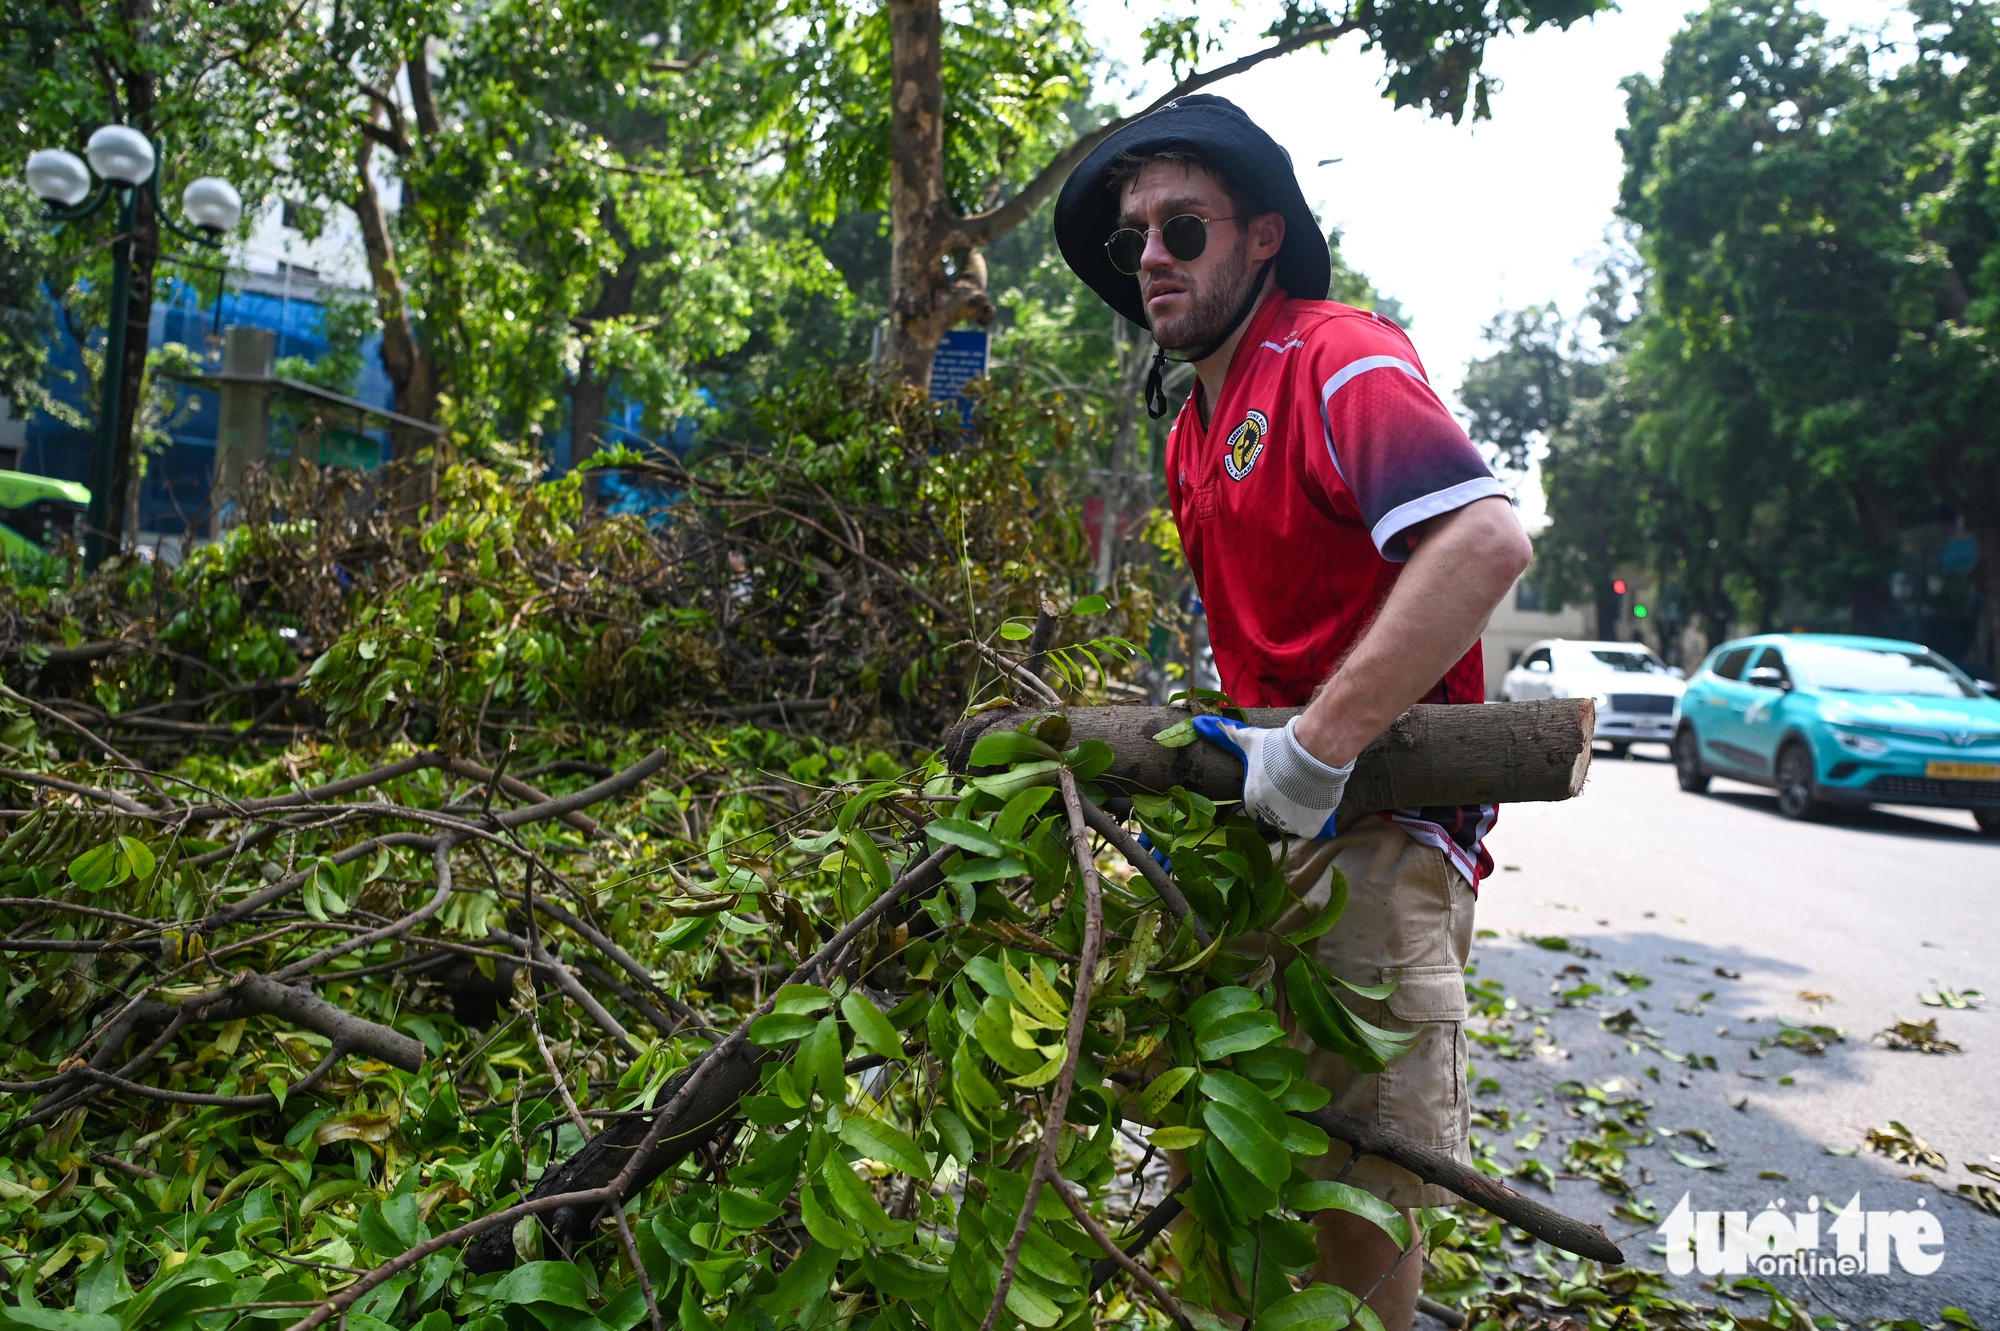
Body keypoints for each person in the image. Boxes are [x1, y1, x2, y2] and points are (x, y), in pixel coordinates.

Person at [1054, 95, 1532, 1330]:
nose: (1152, 255)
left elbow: (1482, 542)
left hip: (1376, 844)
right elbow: (1264, 645)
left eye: (1182, 228)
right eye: (1133, 241)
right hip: (1261, 850)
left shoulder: (1336, 356)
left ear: (1261, 236)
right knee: (1220, 1165)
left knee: (1351, 1196)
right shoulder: (1190, 431)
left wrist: (1316, 750)